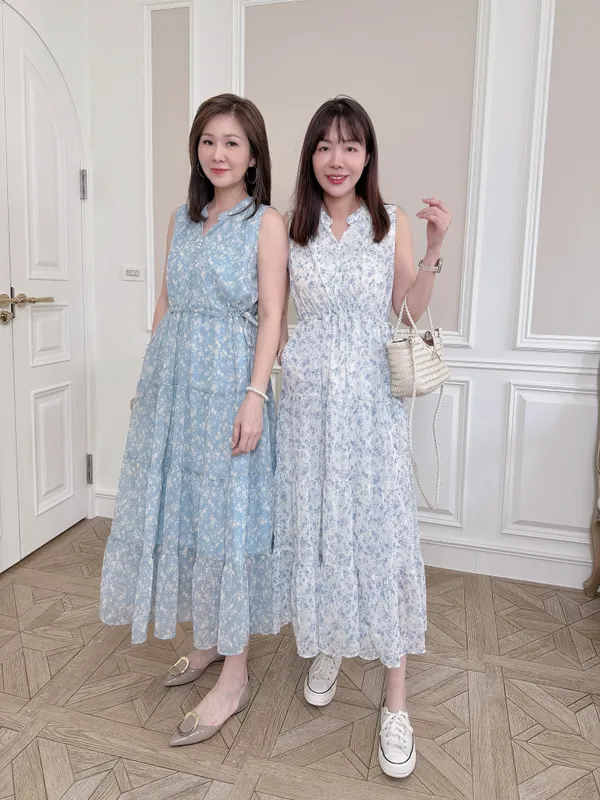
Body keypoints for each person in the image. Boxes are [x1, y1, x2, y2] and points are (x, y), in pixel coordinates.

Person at [100, 93, 288, 747]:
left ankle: (235, 676)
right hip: (175, 387)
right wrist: (149, 384)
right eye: (209, 140)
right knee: (190, 517)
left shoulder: (265, 223)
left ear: (254, 154)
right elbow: (165, 298)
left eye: (232, 142)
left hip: (231, 386)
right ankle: (208, 642)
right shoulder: (182, 218)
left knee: (229, 523)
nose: (218, 153)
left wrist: (255, 397)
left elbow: (273, 315)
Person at [272, 96, 451, 778]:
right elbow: (274, 312)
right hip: (308, 410)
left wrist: (433, 251)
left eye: (350, 146)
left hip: (372, 410)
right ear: (310, 155)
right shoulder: (291, 226)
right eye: (324, 145)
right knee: (321, 529)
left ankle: (395, 701)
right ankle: (330, 640)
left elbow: (405, 308)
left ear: (367, 155)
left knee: (381, 534)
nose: (336, 159)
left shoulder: (388, 221)